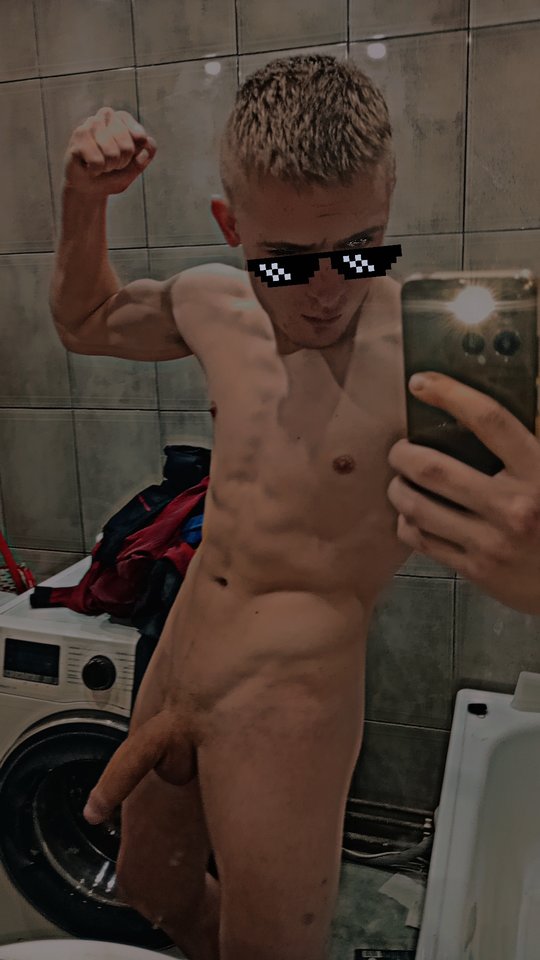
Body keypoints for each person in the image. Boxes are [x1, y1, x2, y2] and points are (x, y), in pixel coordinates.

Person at [51, 54, 540, 960]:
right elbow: (85, 321)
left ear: (387, 202)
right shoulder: (212, 303)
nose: (326, 292)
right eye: (286, 262)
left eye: (360, 249)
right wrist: (84, 199)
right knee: (151, 887)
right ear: (231, 226)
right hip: (180, 657)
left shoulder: (430, 351)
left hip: (291, 703)